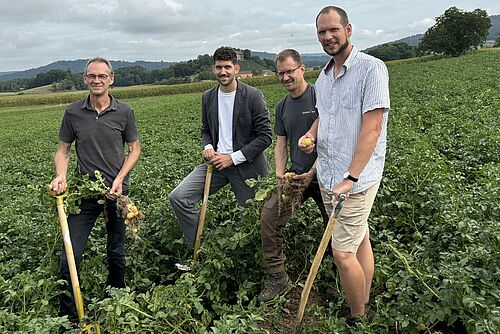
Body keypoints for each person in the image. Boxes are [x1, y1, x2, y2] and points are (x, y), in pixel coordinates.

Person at [299, 6, 390, 322]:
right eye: (322, 32)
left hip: (355, 180)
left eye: (333, 30)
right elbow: (325, 117)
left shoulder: (371, 69)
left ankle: (357, 316)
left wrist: (350, 177)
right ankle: (363, 294)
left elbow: (373, 127)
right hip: (327, 173)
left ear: (348, 29)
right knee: (359, 236)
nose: (328, 37)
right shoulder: (323, 78)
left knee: (341, 252)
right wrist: (311, 135)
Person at [50, 57, 141, 325]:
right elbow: (64, 150)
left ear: (111, 79)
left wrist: (121, 179)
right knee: (71, 253)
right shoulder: (73, 113)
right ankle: (69, 316)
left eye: (102, 76)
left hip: (117, 194)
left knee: (116, 251)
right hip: (84, 193)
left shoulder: (124, 112)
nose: (97, 81)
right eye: (92, 76)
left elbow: (134, 149)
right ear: (85, 80)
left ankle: (115, 300)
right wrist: (61, 176)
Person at [169, 47, 272, 254]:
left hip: (247, 167)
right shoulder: (208, 97)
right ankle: (201, 250)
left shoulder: (252, 96)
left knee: (252, 218)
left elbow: (265, 136)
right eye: (218, 67)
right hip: (215, 165)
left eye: (227, 67)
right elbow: (206, 129)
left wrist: (232, 159)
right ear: (213, 69)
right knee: (179, 197)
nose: (223, 72)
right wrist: (208, 147)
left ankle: (249, 261)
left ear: (236, 68)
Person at [257, 49, 328, 302]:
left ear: (302, 69)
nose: (286, 77)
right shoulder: (282, 106)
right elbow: (280, 143)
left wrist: (314, 171)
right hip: (296, 177)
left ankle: (334, 274)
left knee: (335, 225)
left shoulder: (321, 96)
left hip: (326, 175)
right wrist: (279, 173)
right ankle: (278, 278)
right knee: (269, 216)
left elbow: (337, 140)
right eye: (281, 73)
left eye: (290, 71)